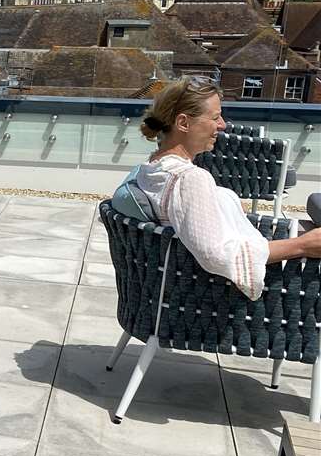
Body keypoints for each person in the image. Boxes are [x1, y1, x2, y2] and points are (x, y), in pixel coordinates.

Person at [128, 75, 321, 299]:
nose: (223, 125)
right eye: (216, 117)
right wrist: (302, 246)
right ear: (183, 123)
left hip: (177, 289)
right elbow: (217, 255)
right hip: (219, 303)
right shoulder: (190, 179)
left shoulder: (152, 168)